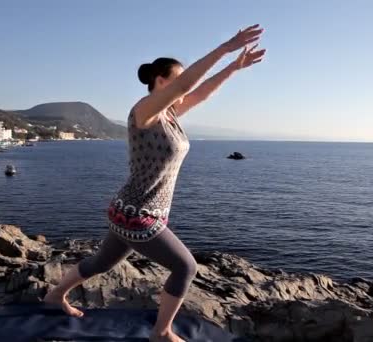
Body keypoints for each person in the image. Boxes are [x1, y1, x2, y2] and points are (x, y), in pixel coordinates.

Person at [44, 24, 266, 342]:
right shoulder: (144, 111)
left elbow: (199, 92)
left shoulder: (170, 114)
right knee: (185, 268)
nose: (184, 89)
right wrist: (225, 48)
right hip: (138, 213)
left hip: (129, 208)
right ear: (160, 82)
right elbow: (189, 85)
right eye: (177, 82)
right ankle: (161, 333)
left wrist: (233, 67)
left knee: (100, 263)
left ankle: (55, 296)